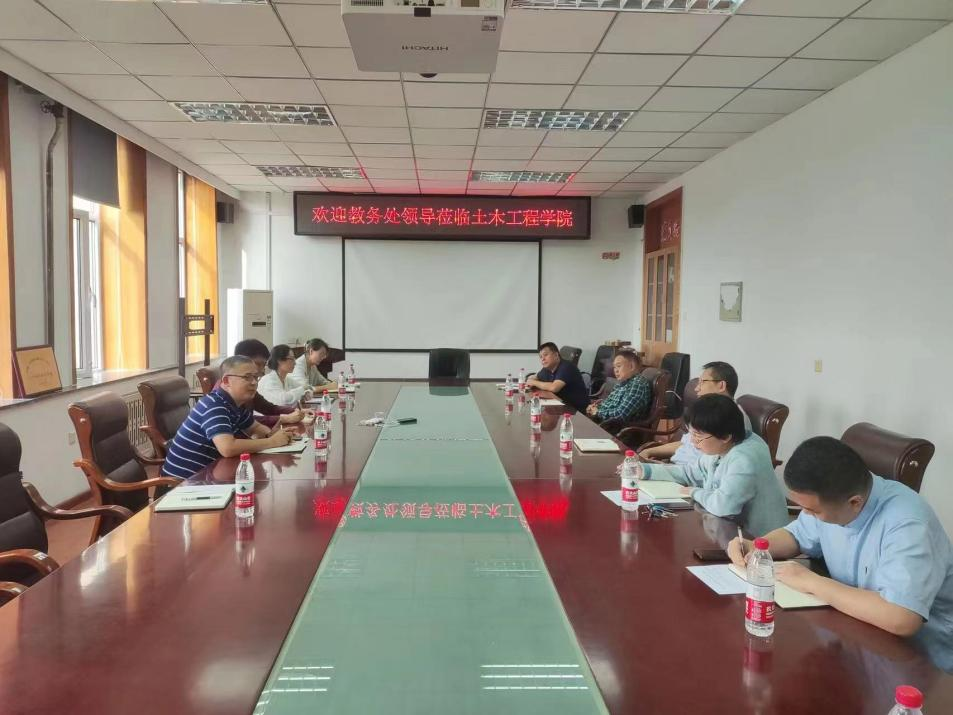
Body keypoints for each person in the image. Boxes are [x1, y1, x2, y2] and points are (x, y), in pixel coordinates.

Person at [728, 436, 953, 660]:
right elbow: (796, 535)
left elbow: (901, 617)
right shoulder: (835, 497)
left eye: (813, 511)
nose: (806, 514)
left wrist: (812, 582)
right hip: (854, 637)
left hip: (919, 659)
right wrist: (757, 547)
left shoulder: (908, 524)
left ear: (854, 502)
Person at [642, 394, 788, 536]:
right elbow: (689, 473)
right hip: (727, 529)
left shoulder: (744, 460)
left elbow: (723, 507)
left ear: (725, 437)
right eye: (691, 434)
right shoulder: (721, 446)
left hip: (760, 542)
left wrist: (694, 492)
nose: (692, 441)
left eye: (698, 436)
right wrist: (645, 470)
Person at [162, 355, 292, 480]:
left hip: (206, 477)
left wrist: (270, 434)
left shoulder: (235, 404)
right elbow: (228, 448)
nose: (254, 382)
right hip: (180, 486)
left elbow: (255, 427)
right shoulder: (214, 405)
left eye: (256, 377)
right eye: (247, 377)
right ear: (226, 381)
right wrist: (272, 442)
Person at [639, 360, 751, 464]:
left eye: (702, 382)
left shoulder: (733, 418)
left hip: (686, 474)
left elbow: (711, 467)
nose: (697, 388)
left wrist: (661, 468)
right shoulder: (707, 411)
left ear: (721, 385)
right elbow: (686, 444)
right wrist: (649, 452)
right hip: (674, 467)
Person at [227, 339, 305, 428]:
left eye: (263, 365)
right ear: (240, 360)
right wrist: (283, 418)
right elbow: (246, 421)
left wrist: (297, 411)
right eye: (258, 364)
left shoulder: (250, 386)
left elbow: (269, 408)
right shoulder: (226, 393)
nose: (261, 371)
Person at [585, 349, 652, 423]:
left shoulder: (638, 384)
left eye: (618, 366)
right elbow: (613, 403)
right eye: (614, 367)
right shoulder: (623, 382)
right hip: (603, 421)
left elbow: (621, 414)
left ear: (632, 366)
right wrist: (597, 405)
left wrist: (597, 412)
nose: (615, 370)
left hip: (615, 427)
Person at [525, 342, 590, 413]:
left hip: (577, 411)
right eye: (540, 357)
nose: (542, 359)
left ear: (556, 355)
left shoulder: (566, 367)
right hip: (562, 405)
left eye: (545, 355)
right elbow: (534, 377)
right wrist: (531, 381)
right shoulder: (548, 368)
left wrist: (533, 382)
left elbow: (554, 388)